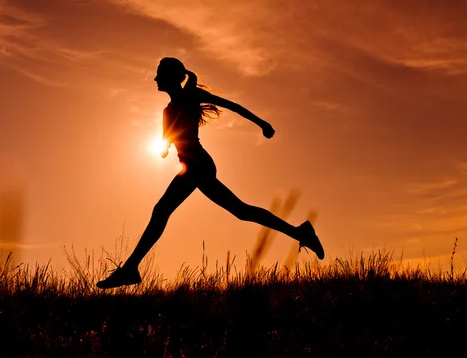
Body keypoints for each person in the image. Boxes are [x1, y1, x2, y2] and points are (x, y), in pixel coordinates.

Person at [96, 57, 324, 289]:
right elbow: (167, 142)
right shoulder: (168, 110)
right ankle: (300, 232)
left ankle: (130, 268)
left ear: (171, 76)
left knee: (162, 210)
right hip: (191, 166)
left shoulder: (192, 96)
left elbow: (233, 106)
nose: (155, 79)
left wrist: (262, 123)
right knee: (241, 211)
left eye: (159, 74)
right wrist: (165, 144)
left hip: (199, 165)